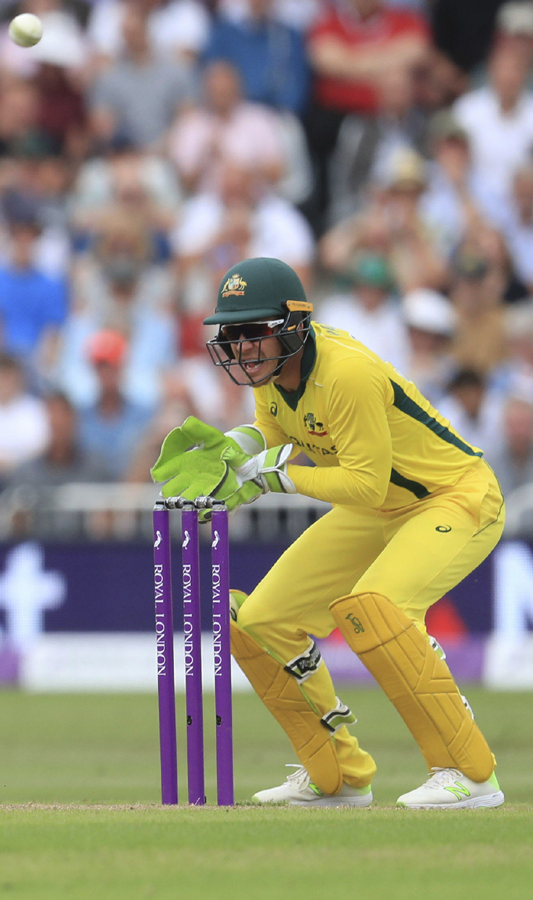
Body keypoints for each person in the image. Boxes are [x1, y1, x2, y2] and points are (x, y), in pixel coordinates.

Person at [152, 257, 505, 809]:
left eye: (253, 332)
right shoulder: (273, 375)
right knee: (260, 621)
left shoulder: (345, 372)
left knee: (377, 608)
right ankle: (337, 774)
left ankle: (470, 774)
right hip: (381, 506)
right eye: (233, 334)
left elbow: (362, 483)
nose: (242, 347)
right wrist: (233, 455)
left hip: (454, 494)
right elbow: (274, 437)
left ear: (293, 325)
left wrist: (274, 476)